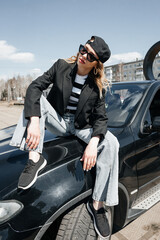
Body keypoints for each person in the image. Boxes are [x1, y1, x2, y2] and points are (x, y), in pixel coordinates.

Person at [10, 36, 119, 239]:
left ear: (97, 63)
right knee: (36, 103)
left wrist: (94, 143)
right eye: (82, 49)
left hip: (80, 127)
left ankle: (98, 206)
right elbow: (34, 87)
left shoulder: (97, 87)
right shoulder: (61, 66)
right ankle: (35, 160)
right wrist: (34, 120)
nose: (83, 55)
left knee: (112, 142)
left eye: (89, 55)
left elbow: (101, 118)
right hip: (58, 120)